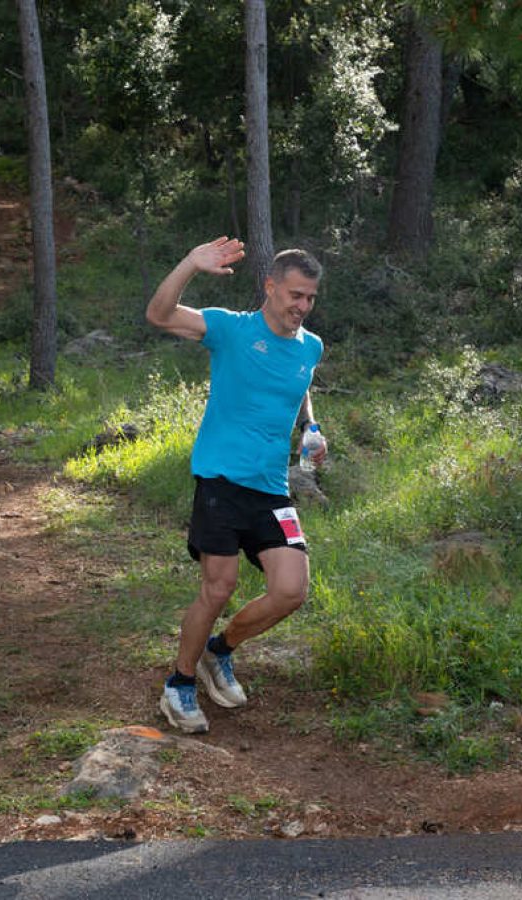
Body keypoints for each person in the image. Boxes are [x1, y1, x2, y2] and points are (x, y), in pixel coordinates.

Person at [145, 236, 327, 733]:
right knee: (218, 587)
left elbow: (300, 384)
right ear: (270, 288)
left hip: (271, 489)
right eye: (295, 296)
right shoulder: (230, 329)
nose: (302, 307)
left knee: (291, 590)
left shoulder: (310, 346)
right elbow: (160, 315)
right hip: (222, 480)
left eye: (310, 298)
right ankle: (179, 685)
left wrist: (310, 427)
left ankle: (217, 652)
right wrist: (189, 262)